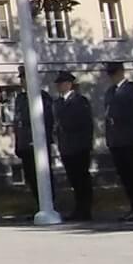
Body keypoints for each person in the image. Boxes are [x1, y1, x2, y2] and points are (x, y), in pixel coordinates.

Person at [102, 59, 133, 221]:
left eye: (114, 73)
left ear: (121, 72)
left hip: (130, 140)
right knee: (125, 176)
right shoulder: (110, 92)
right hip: (117, 141)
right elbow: (108, 116)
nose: (112, 77)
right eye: (110, 74)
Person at [52, 71, 96, 221]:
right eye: (58, 84)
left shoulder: (79, 101)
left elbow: (86, 124)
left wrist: (87, 144)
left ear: (69, 84)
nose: (59, 86)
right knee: (74, 179)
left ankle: (85, 209)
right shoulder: (57, 103)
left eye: (61, 83)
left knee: (82, 178)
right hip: (66, 146)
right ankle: (78, 208)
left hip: (79, 146)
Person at [12, 79, 55, 199]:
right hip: (25, 143)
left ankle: (49, 203)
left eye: (25, 79)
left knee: (42, 175)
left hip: (38, 143)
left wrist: (43, 138)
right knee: (30, 176)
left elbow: (47, 120)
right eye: (22, 80)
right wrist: (18, 143)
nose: (23, 82)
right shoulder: (20, 98)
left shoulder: (42, 97)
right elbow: (17, 122)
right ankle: (38, 204)